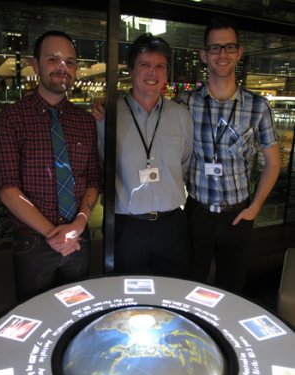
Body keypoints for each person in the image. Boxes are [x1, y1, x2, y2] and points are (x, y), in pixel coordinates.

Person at [176, 15, 281, 293]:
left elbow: (273, 162)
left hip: (238, 215)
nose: (222, 55)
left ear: (239, 52)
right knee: (191, 285)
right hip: (197, 213)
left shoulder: (258, 107)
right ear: (203, 55)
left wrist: (255, 207)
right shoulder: (186, 103)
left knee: (232, 288)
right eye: (215, 48)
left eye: (229, 47)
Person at [0, 31, 102, 301]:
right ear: (35, 64)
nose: (62, 67)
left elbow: (93, 180)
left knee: (78, 312)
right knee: (36, 316)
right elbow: (7, 188)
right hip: (33, 242)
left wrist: (78, 224)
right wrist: (55, 236)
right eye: (53, 59)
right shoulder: (11, 119)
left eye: (70, 61)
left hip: (79, 238)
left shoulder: (85, 121)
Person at [95, 33, 193, 277]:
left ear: (167, 73)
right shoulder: (108, 115)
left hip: (172, 225)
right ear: (130, 70)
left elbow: (184, 163)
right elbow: (99, 164)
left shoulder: (182, 116)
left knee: (172, 292)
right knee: (126, 293)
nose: (153, 73)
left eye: (160, 66)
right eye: (145, 65)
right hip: (126, 226)